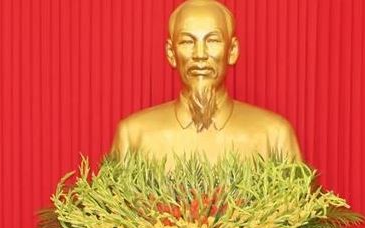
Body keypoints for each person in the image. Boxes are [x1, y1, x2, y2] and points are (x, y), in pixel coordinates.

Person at [111, 0, 303, 167]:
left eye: (212, 41)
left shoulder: (274, 136)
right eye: (187, 42)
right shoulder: (133, 136)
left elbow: (300, 208)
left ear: (232, 50)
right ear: (171, 53)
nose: (200, 54)